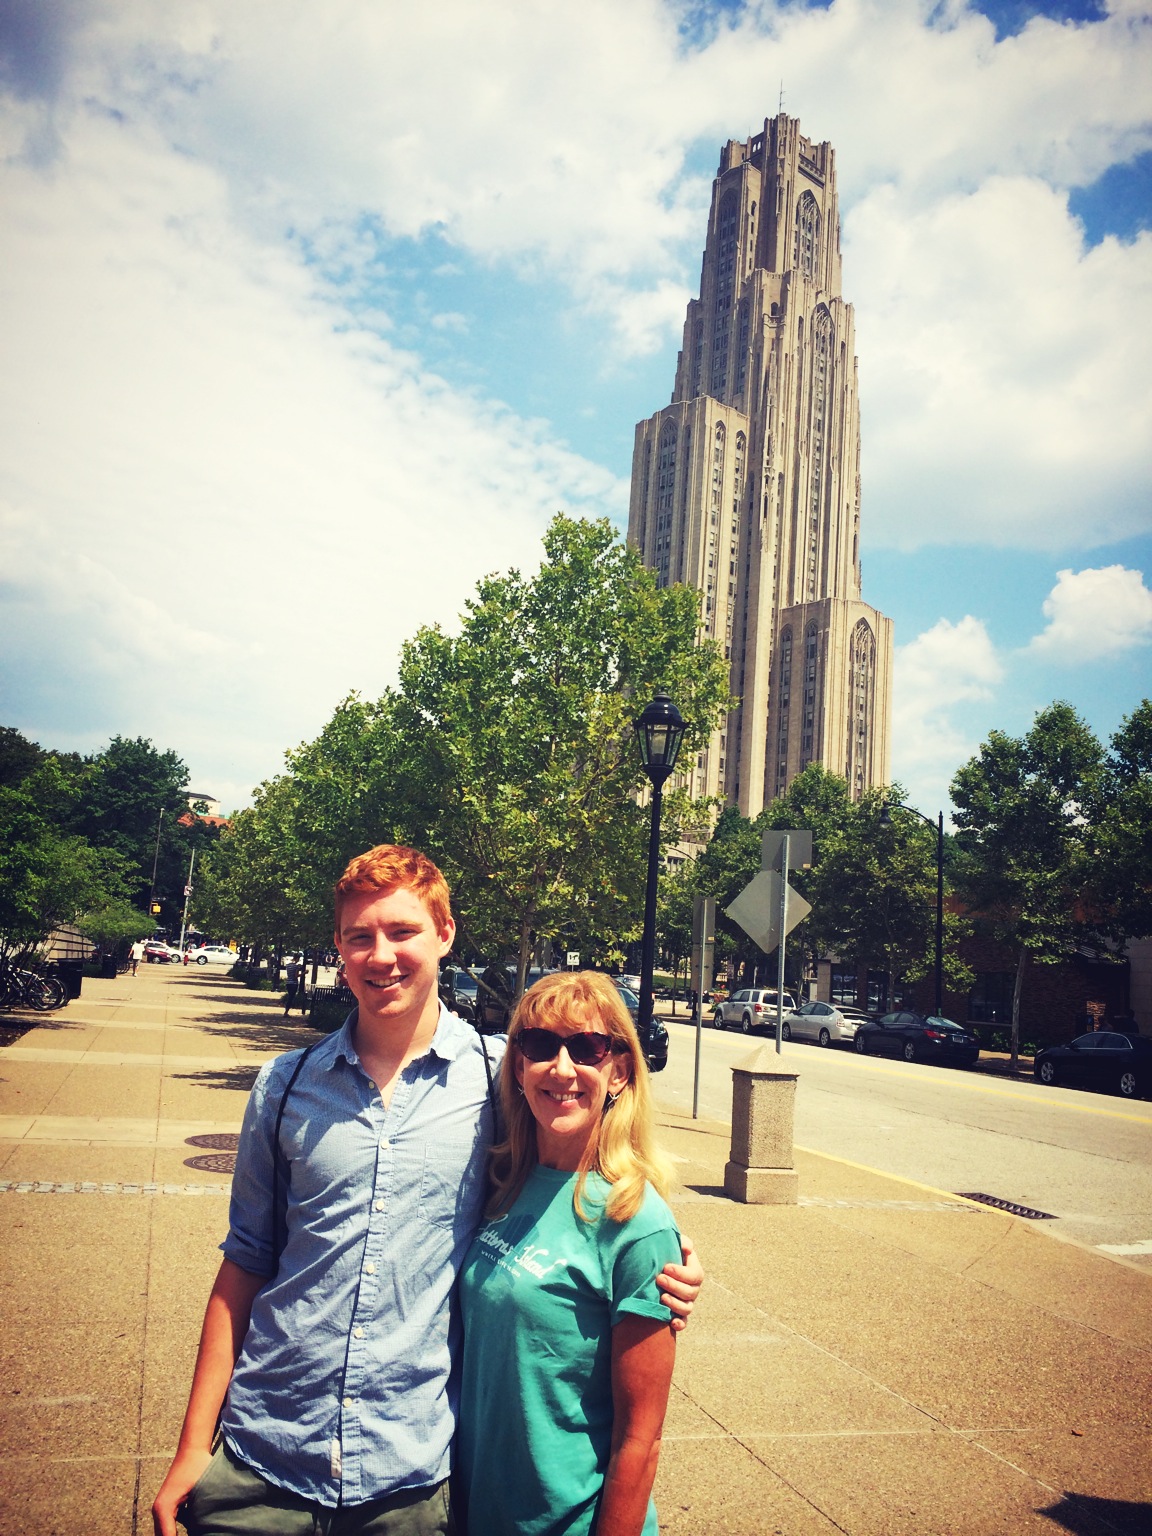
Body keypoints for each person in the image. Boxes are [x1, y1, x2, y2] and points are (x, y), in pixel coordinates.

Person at [152, 845, 702, 1536]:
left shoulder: (500, 1077)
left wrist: (663, 1253)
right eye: (360, 935)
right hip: (265, 1454)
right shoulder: (284, 1085)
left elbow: (584, 1166)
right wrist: (192, 1447)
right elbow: (245, 1263)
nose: (381, 955)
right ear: (339, 947)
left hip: (408, 1476)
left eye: (403, 931)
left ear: (444, 934)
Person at [457, 972, 678, 1536]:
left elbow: (641, 1438)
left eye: (586, 1049)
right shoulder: (501, 1180)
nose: (561, 1068)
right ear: (518, 1065)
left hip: (569, 1522)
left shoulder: (636, 1221)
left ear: (618, 1072)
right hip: (478, 1511)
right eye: (539, 1045)